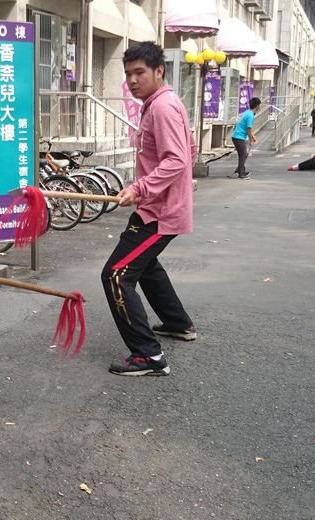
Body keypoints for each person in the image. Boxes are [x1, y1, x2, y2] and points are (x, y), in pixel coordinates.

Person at [103, 41, 195, 377]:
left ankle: (148, 355)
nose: (133, 80)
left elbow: (177, 158)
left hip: (160, 212)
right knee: (145, 264)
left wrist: (141, 188)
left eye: (140, 72)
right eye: (128, 74)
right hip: (156, 206)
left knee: (115, 275)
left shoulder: (162, 107)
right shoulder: (160, 103)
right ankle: (177, 322)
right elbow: (190, 148)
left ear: (159, 71)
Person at [230, 97, 261, 179]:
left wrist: (252, 136)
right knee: (243, 154)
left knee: (243, 154)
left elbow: (246, 128)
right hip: (238, 137)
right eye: (259, 105)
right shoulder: (250, 115)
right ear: (257, 106)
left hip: (237, 136)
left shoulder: (247, 112)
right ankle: (241, 173)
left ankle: (240, 170)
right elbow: (249, 128)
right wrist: (251, 139)